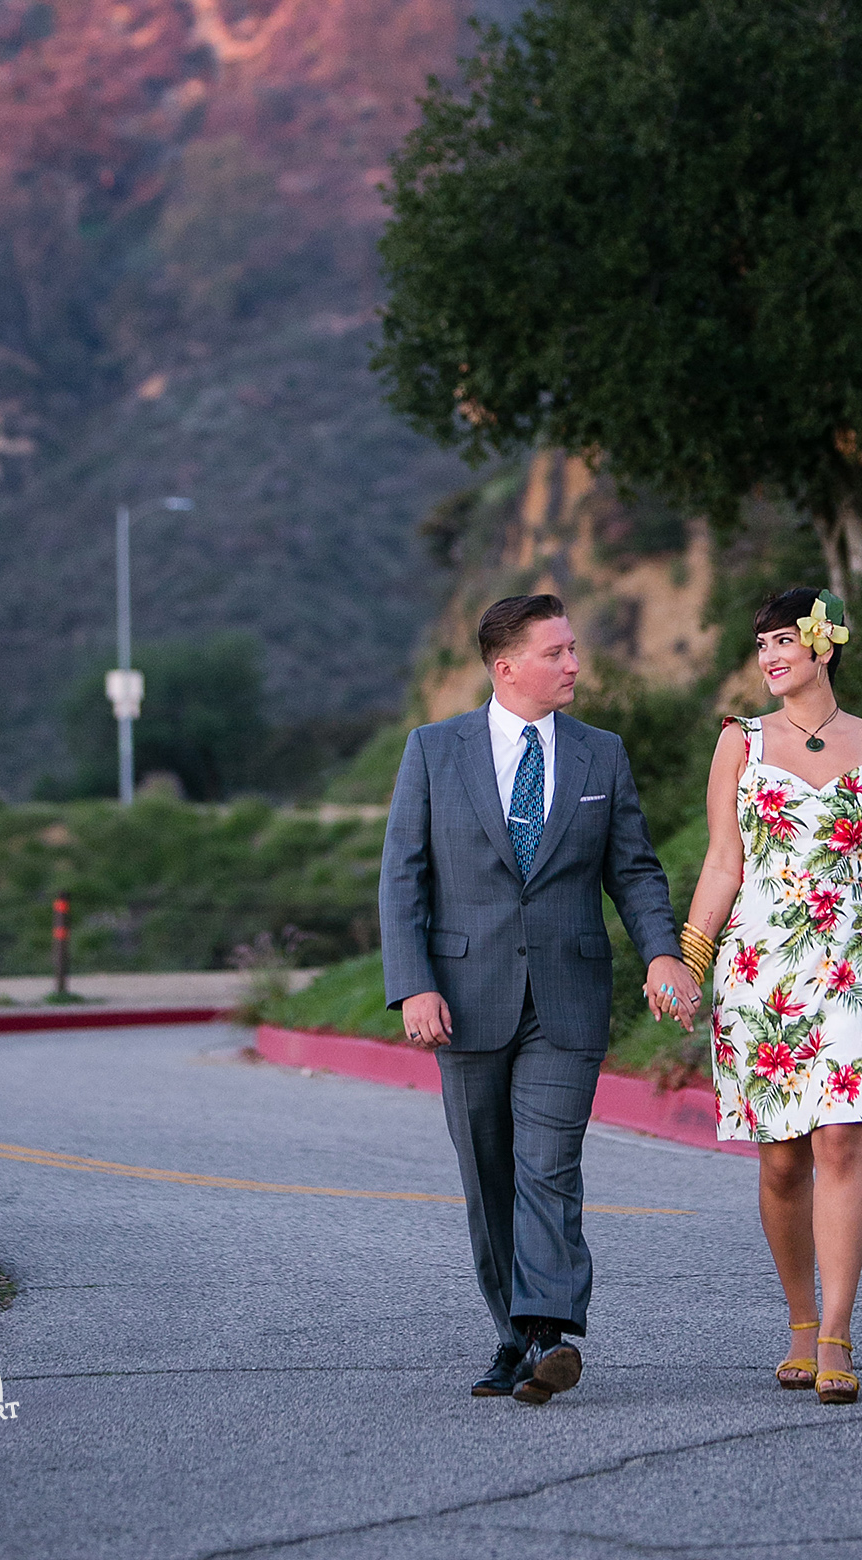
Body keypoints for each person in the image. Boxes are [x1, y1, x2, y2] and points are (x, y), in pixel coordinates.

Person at [379, 593, 699, 1405]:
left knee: (548, 1167)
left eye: (572, 649)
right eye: (556, 652)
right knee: (489, 1177)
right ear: (506, 666)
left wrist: (663, 953)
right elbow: (403, 878)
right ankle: (512, 1339)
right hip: (463, 996)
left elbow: (632, 869)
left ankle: (550, 1331)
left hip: (568, 994)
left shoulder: (602, 755)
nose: (574, 665)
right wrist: (412, 981)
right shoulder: (433, 750)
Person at [674, 588, 862, 1407]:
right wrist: (688, 958)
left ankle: (837, 1333)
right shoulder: (740, 743)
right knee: (783, 1161)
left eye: (784, 640)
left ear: (825, 647)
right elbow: (722, 862)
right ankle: (796, 1318)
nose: (770, 656)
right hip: (763, 970)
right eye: (761, 645)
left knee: (841, 1144)